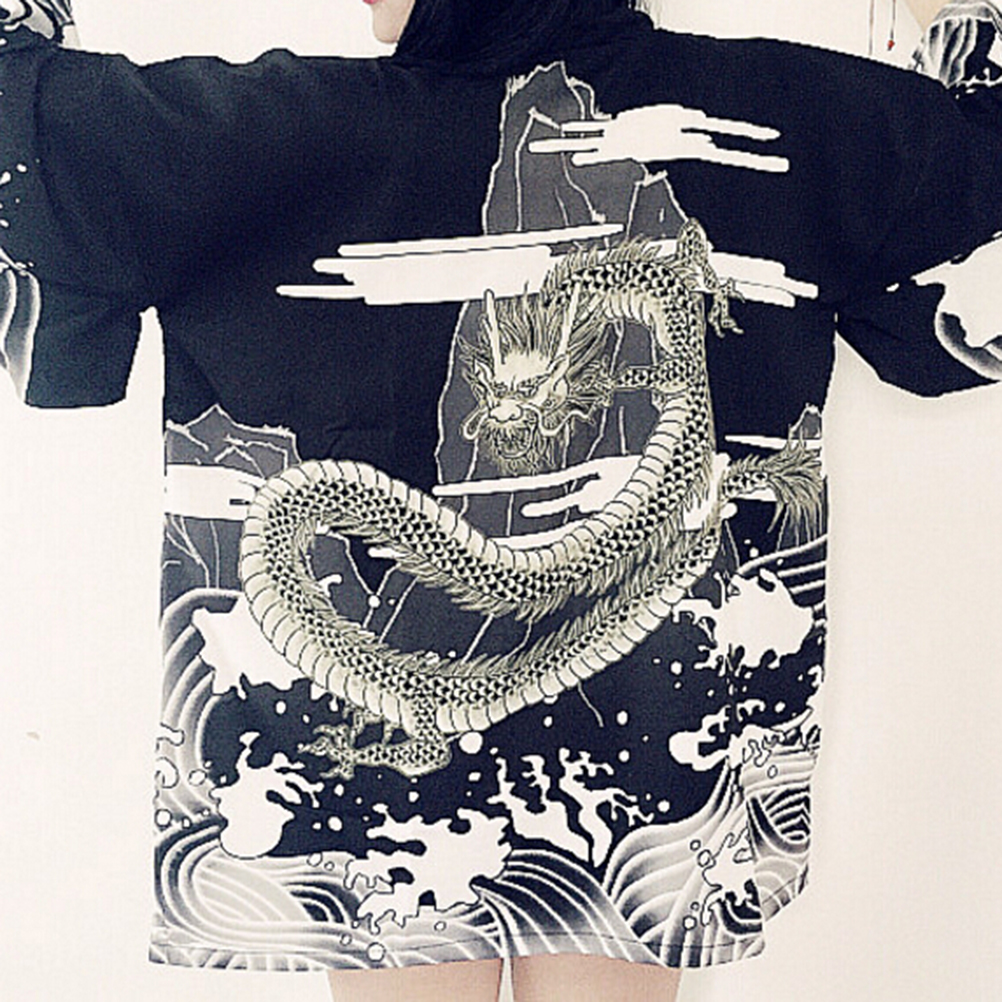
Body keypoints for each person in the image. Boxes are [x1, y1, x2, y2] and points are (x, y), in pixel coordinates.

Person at [1, 2, 1000, 1002]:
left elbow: (21, 117)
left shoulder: (247, 135)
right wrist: (956, 18)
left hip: (435, 723)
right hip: (630, 735)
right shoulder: (800, 119)